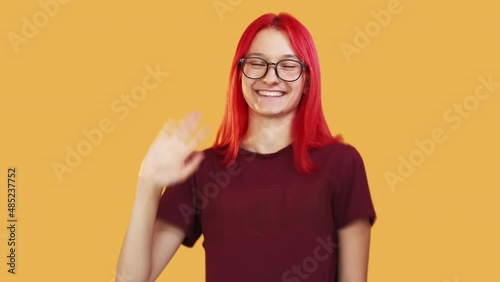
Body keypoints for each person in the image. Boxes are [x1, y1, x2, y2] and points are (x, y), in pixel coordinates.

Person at [116, 12, 376, 282]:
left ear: (307, 79)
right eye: (256, 63)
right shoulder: (200, 171)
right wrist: (148, 184)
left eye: (287, 65)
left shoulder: (343, 164)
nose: (270, 78)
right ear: (239, 73)